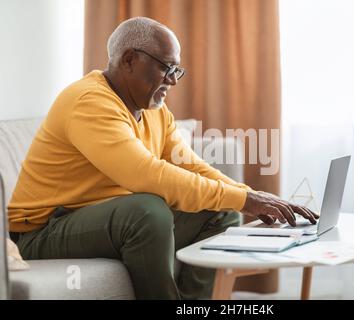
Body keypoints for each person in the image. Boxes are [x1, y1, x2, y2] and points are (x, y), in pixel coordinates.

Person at [7, 17, 318, 299]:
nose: (174, 79)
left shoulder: (154, 111)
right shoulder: (89, 101)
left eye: (177, 70)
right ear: (129, 60)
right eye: (166, 68)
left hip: (96, 219)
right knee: (147, 210)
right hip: (41, 232)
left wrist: (246, 196)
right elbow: (145, 174)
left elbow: (189, 164)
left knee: (220, 212)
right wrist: (245, 199)